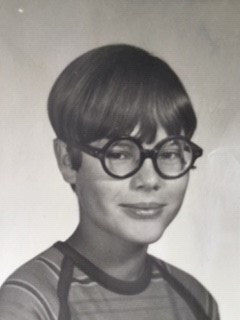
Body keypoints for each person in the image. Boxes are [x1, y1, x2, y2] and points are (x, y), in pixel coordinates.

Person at [0, 44, 220, 320]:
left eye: (170, 153)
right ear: (68, 160)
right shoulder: (33, 302)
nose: (150, 179)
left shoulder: (197, 301)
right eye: (119, 153)